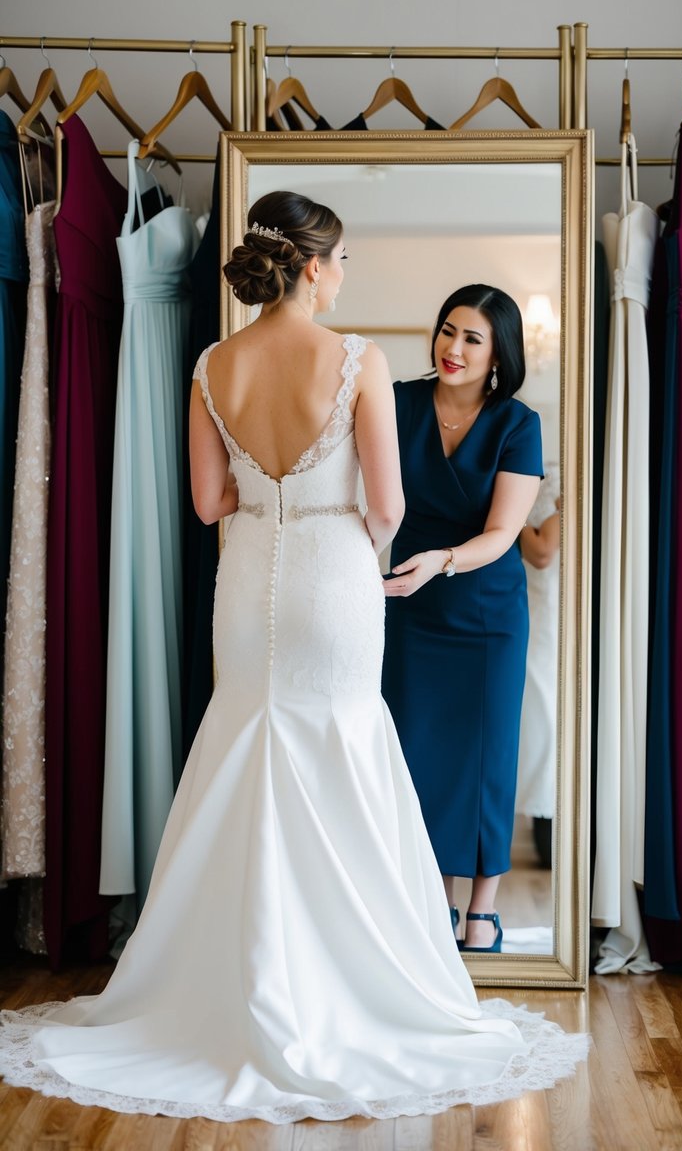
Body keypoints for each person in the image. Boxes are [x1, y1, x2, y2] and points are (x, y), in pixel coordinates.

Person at [0, 196, 587, 1123]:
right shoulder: (358, 359)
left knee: (244, 750)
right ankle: (348, 979)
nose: (346, 273)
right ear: (313, 266)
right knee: (341, 756)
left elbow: (206, 503)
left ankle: (222, 983)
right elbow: (387, 510)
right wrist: (343, 515)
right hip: (334, 581)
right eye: (344, 258)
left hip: (248, 585)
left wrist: (266, 488)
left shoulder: (212, 365)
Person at [382, 285, 544, 953]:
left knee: (485, 755)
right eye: (447, 331)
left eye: (471, 338)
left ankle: (482, 907)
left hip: (484, 609)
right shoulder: (395, 402)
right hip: (407, 607)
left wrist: (441, 560)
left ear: (498, 351)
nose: (452, 348)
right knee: (414, 752)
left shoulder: (516, 424)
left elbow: (505, 532)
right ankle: (430, 898)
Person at [515, 463, 561, 871]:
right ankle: (541, 817)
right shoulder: (545, 481)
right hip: (539, 607)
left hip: (559, 609)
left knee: (548, 717)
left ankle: (548, 819)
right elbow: (542, 553)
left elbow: (544, 551)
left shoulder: (565, 482)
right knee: (541, 716)